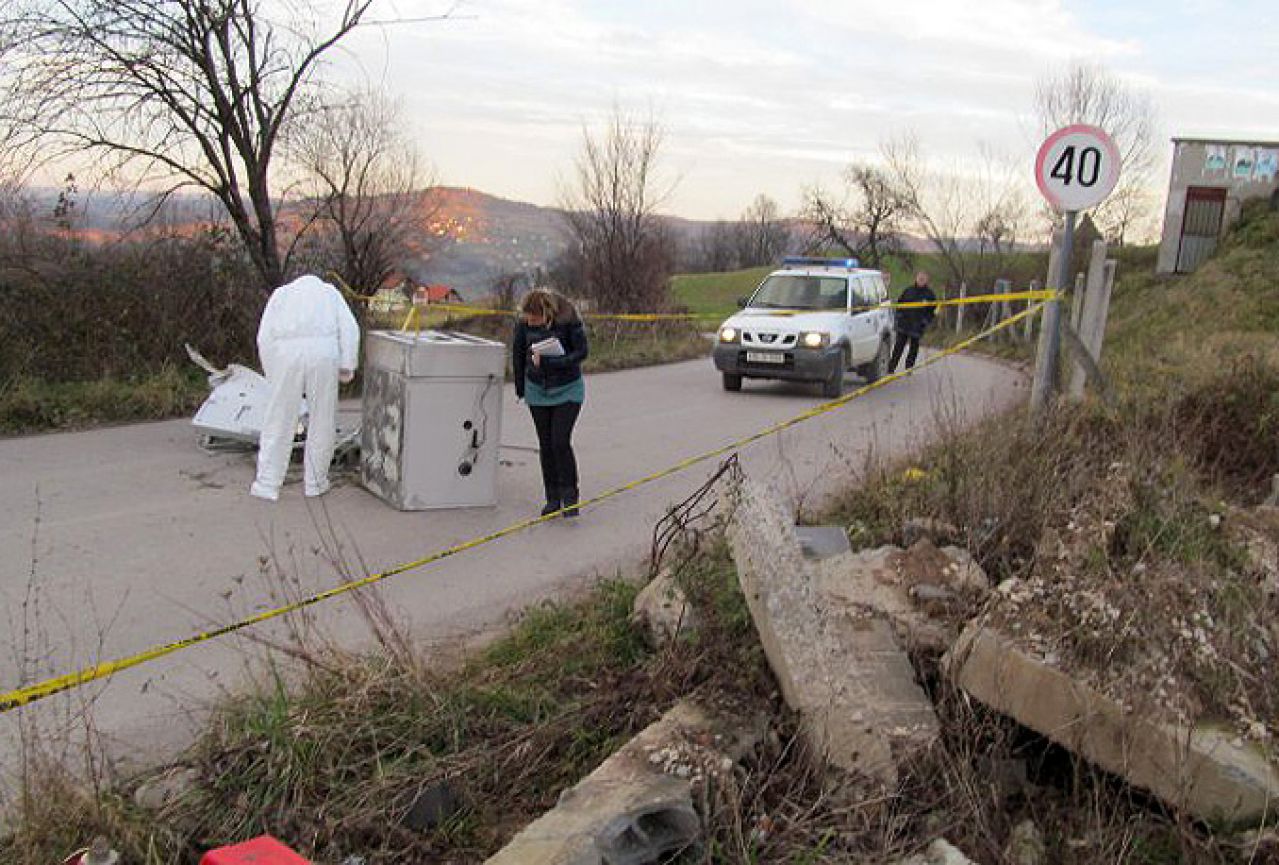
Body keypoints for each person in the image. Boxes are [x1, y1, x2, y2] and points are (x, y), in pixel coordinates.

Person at [250, 274, 360, 502]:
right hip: (323, 353)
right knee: (323, 418)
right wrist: (347, 364)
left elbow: (264, 336)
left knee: (279, 417)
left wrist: (272, 372)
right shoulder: (330, 293)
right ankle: (316, 483)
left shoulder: (282, 294)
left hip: (286, 353)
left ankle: (267, 483)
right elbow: (350, 328)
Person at [511, 289, 589, 518]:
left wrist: (551, 362)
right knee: (545, 445)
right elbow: (517, 355)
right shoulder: (523, 325)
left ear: (547, 314)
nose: (530, 323)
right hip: (537, 390)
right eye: (527, 319)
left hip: (567, 388)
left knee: (560, 441)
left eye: (535, 319)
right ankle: (552, 497)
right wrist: (520, 388)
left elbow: (582, 352)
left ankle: (570, 496)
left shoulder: (568, 320)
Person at [890, 271, 938, 373]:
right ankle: (891, 367)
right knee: (899, 346)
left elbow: (933, 310)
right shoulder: (908, 291)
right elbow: (899, 304)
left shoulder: (930, 295)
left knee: (914, 348)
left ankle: (909, 367)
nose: (921, 280)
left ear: (927, 280)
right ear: (916, 278)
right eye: (919, 278)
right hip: (904, 324)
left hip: (918, 325)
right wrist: (899, 316)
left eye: (923, 278)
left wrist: (926, 321)